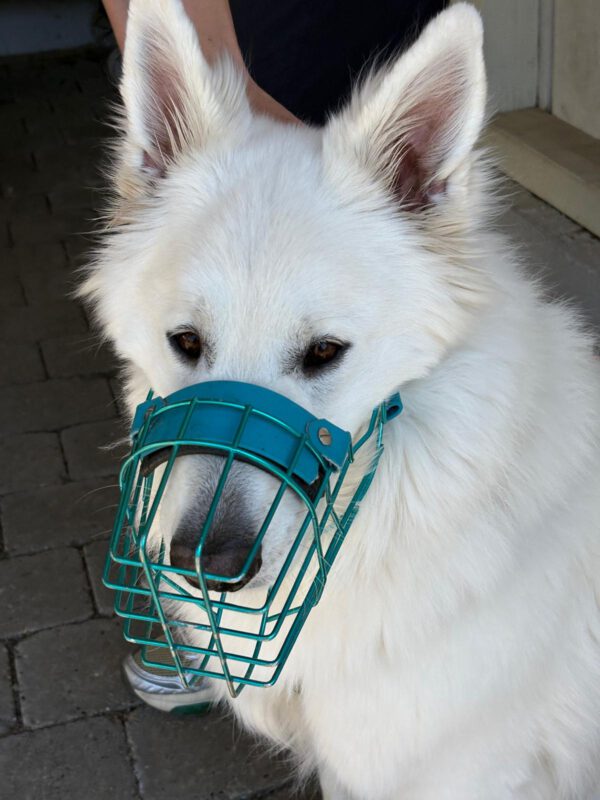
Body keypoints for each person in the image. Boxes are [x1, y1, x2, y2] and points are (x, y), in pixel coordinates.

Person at [102, 0, 447, 713]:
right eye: (188, 344)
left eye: (319, 353)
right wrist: (222, 67)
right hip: (261, 28)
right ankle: (227, 641)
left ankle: (390, 645)